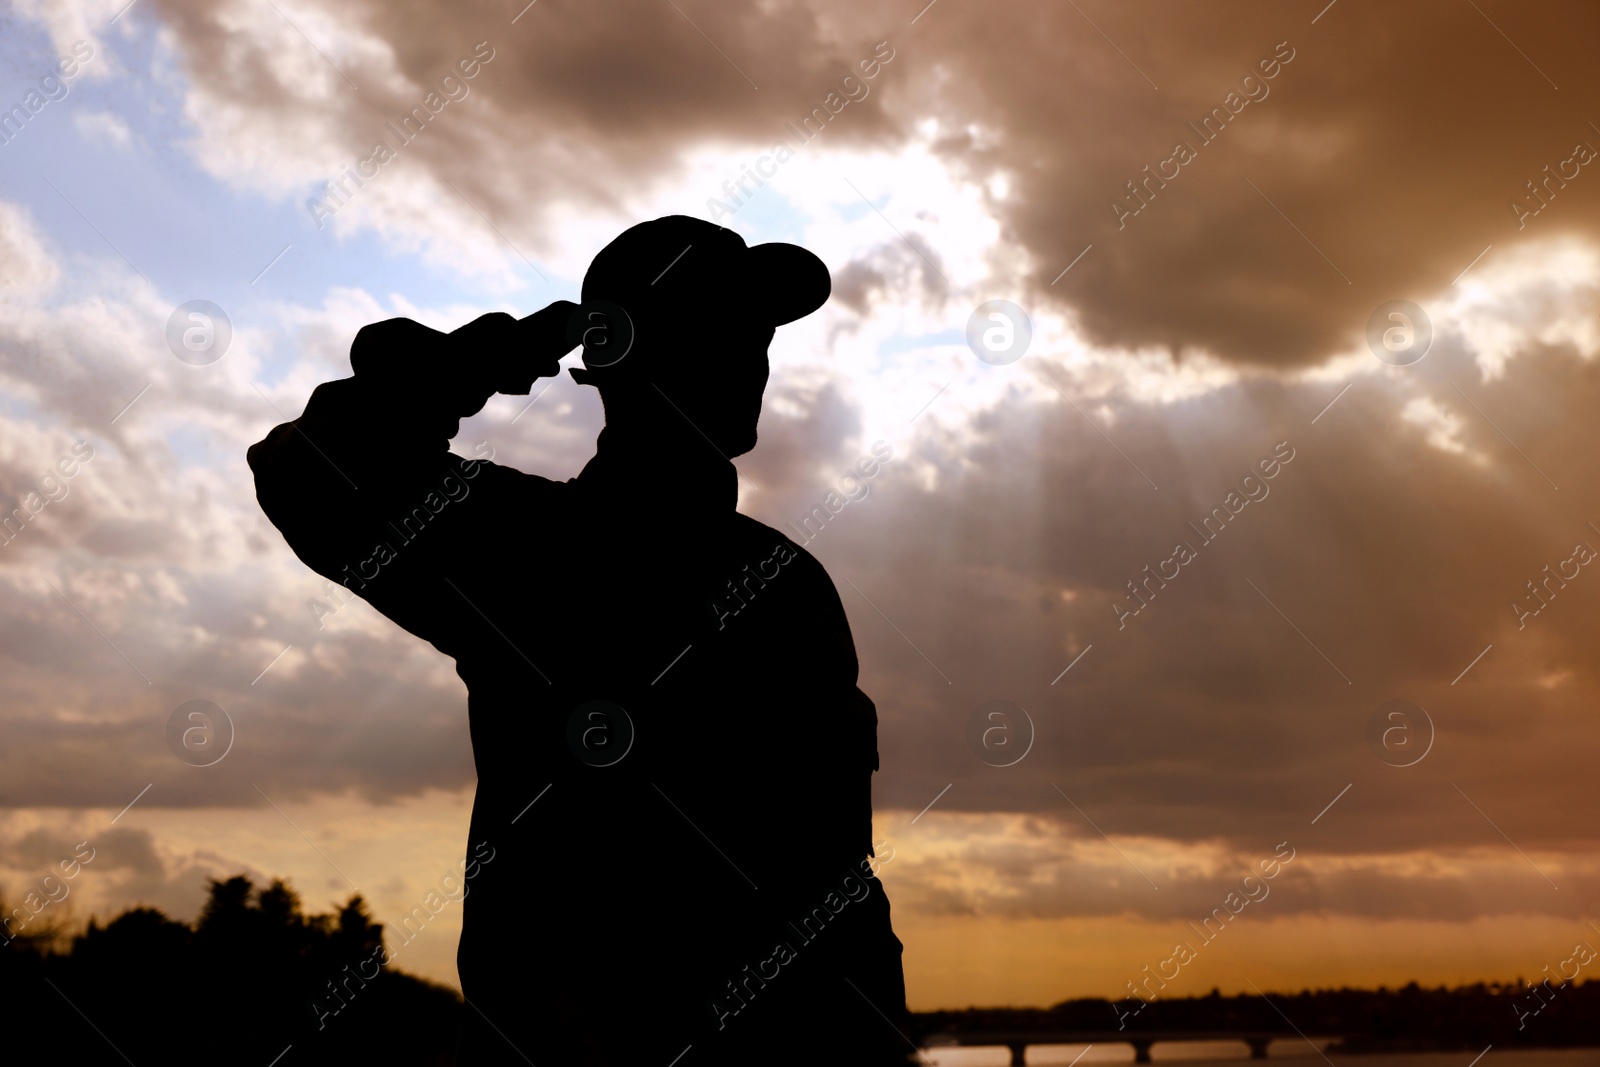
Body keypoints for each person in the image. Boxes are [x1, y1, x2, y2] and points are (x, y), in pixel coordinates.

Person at [248, 215, 911, 1065]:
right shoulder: (525, 546)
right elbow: (310, 467)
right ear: (618, 354)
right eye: (717, 325)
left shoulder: (789, 585)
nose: (753, 355)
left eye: (759, 331)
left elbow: (842, 883)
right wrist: (475, 361)